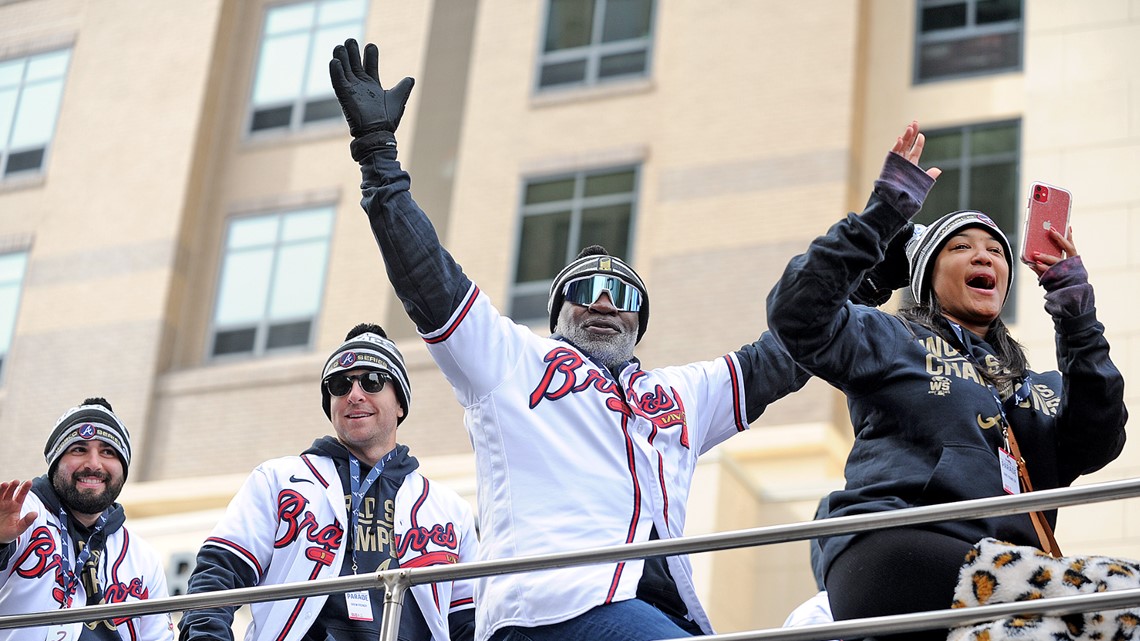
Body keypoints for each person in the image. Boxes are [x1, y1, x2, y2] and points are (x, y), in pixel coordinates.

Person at [328, 39, 810, 641]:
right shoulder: (511, 360)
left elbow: (788, 352)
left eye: (624, 295)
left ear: (640, 323)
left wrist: (867, 278)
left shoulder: (678, 396)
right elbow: (427, 276)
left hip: (659, 616)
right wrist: (378, 158)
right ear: (557, 315)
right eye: (585, 290)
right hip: (548, 610)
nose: (605, 303)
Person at [766, 121, 1127, 641]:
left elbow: (1099, 437)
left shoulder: (1039, 388)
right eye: (960, 247)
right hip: (893, 549)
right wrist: (884, 213)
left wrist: (1076, 315)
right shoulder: (891, 337)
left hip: (1004, 581)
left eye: (996, 250)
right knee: (1120, 597)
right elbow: (798, 313)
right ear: (927, 280)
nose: (984, 255)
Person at [178, 324, 478, 641]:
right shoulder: (279, 480)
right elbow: (217, 578)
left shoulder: (448, 510)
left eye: (372, 381)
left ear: (400, 402)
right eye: (339, 385)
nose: (355, 395)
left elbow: (469, 623)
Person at [0, 398, 175, 640]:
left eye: (108, 452)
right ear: (55, 463)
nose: (94, 464)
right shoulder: (21, 513)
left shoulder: (144, 557)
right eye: (79, 449)